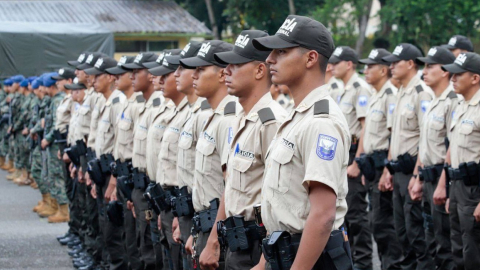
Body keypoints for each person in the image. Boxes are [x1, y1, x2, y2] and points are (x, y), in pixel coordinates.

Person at [251, 15, 352, 269]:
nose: (270, 59)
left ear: (310, 58)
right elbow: (284, 208)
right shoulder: (298, 117)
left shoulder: (321, 122)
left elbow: (323, 215)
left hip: (311, 260)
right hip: (284, 252)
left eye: (281, 51)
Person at [208, 29, 287, 270]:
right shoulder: (241, 118)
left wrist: (265, 260)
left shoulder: (271, 121)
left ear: (260, 70)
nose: (226, 71)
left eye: (235, 65)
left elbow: (282, 198)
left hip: (257, 247)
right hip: (236, 241)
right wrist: (214, 236)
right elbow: (231, 185)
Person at [178, 40, 237, 270]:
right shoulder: (212, 117)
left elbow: (230, 186)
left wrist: (212, 238)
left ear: (222, 74)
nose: (194, 75)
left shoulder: (229, 120)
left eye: (201, 69)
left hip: (218, 230)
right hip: (203, 224)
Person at [381, 43, 436, 269]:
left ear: (411, 64)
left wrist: (417, 176)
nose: (391, 66)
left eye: (397, 62)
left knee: (416, 232)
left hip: (413, 171)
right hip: (399, 171)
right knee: (402, 231)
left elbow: (426, 137)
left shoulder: (421, 93)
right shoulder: (401, 92)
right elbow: (396, 137)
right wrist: (389, 170)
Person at [409, 46, 458, 270]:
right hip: (427, 176)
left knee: (445, 242)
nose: (424, 71)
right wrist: (417, 177)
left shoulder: (452, 101)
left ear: (445, 71)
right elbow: (425, 145)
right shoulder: (433, 101)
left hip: (442, 176)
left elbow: (451, 146)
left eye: (430, 66)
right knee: (431, 239)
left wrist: (442, 184)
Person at [358, 48, 403, 269]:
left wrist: (388, 170)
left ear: (383, 70)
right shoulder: (376, 95)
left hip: (384, 164)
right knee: (377, 222)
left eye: (370, 66)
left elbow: (394, 135)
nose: (365, 70)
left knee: (385, 225)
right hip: (372, 167)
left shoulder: (390, 96)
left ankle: (391, 266)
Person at [329, 45, 373, 270]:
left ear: (349, 64)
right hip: (342, 154)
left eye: (337, 62)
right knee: (344, 214)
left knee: (355, 213)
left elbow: (366, 127)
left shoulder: (359, 88)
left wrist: (358, 162)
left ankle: (364, 262)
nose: (332, 66)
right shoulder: (338, 88)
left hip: (355, 153)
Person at [124, 51, 167, 270]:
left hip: (157, 189)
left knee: (154, 251)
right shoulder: (146, 106)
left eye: (136, 71)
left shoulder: (159, 107)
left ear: (150, 75)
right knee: (144, 243)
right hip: (143, 186)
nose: (131, 76)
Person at [85, 56, 128, 270]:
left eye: (98, 75)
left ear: (110, 77)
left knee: (114, 231)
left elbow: (119, 147)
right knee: (104, 225)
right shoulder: (105, 101)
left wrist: (113, 182)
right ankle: (104, 263)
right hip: (101, 172)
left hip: (113, 175)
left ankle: (114, 265)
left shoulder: (118, 103)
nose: (92, 80)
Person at [171, 41, 210, 270]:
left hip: (204, 217)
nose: (177, 74)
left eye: (183, 68)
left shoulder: (207, 115)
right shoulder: (191, 112)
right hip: (187, 210)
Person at [441, 52, 480, 270]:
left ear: (475, 78)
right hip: (457, 186)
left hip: (474, 189)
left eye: (458, 74)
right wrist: (449, 190)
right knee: (457, 246)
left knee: (473, 248)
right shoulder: (462, 105)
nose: (452, 78)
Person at [107, 55, 144, 270]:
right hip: (123, 177)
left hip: (133, 178)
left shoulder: (138, 107)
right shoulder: (126, 104)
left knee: (138, 242)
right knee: (128, 236)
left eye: (121, 74)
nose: (115, 77)